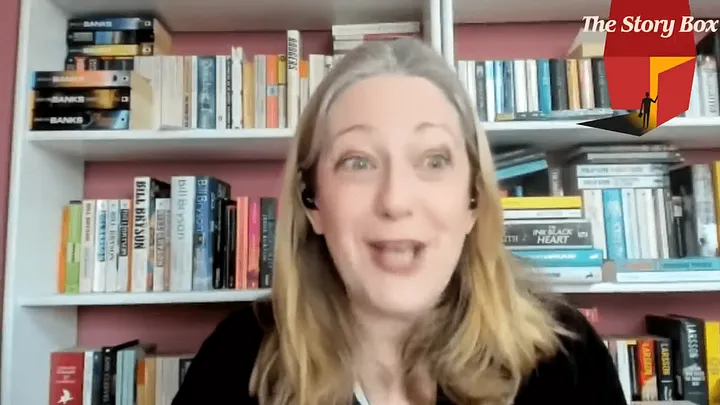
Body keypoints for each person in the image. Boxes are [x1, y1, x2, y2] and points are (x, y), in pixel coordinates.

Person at [171, 38, 627, 405]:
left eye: (432, 160)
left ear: (473, 199)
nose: (395, 201)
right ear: (313, 201)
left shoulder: (566, 360)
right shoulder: (237, 362)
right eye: (358, 162)